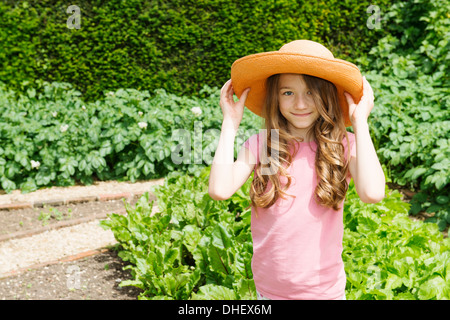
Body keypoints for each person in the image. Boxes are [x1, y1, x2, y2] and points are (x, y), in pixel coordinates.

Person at [208, 40, 385, 300]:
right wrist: (230, 123)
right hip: (268, 293)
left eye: (311, 93)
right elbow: (219, 189)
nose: (300, 104)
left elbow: (372, 193)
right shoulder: (262, 144)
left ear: (327, 95)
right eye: (288, 93)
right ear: (275, 97)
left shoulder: (343, 145)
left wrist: (360, 124)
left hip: (325, 293)